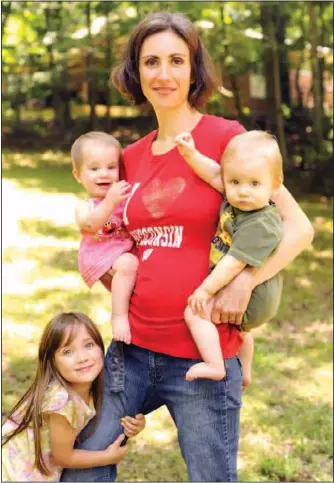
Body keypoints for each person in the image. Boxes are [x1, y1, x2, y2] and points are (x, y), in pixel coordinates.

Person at [61, 12, 314, 483]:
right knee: (81, 472)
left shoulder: (227, 138)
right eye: (151, 61)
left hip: (204, 355)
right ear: (136, 72)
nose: (163, 73)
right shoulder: (129, 158)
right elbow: (121, 235)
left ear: (194, 69)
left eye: (177, 60)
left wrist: (245, 280)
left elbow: (299, 228)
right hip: (131, 351)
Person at [175, 130, 284, 384]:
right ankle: (245, 370)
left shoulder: (260, 222)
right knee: (242, 331)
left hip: (254, 298)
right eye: (235, 182)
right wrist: (191, 154)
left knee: (195, 314)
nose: (243, 191)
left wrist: (204, 290)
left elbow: (234, 262)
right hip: (258, 297)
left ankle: (214, 365)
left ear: (275, 185)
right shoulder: (240, 200)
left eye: (254, 184)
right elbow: (214, 173)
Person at [2, 312, 145, 481]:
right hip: (14, 473)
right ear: (52, 361)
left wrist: (136, 423)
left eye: (89, 345)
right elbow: (62, 457)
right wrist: (107, 457)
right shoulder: (61, 402)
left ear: (101, 348)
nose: (82, 358)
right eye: (68, 352)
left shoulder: (93, 387)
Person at [71, 132, 138, 345]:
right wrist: (110, 201)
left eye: (111, 167)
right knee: (128, 264)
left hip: (122, 251)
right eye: (94, 168)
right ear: (77, 174)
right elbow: (90, 224)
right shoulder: (86, 206)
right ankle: (118, 317)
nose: (104, 174)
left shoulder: (120, 198)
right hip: (100, 255)